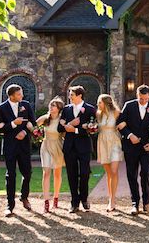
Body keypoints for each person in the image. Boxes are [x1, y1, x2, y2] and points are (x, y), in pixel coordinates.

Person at [117, 84, 149, 215]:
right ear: (137, 96)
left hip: (146, 147)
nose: (143, 101)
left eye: (146, 99)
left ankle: (146, 201)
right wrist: (130, 135)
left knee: (146, 172)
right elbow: (120, 123)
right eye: (141, 99)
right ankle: (135, 203)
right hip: (130, 146)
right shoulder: (129, 106)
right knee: (132, 174)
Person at [0, 84, 36, 216]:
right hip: (10, 146)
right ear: (11, 95)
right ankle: (10, 204)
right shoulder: (1, 108)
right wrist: (13, 124)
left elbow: (33, 122)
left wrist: (24, 131)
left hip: (24, 145)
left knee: (27, 173)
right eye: (19, 94)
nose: (22, 96)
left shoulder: (26, 105)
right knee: (10, 175)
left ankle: (24, 197)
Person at [58, 85, 96, 213]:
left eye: (72, 94)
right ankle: (74, 203)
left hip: (84, 146)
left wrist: (75, 129)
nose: (69, 97)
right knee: (71, 174)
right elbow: (60, 127)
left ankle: (84, 199)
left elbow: (92, 129)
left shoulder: (90, 109)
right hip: (69, 147)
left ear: (80, 95)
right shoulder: (66, 109)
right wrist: (70, 125)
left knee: (85, 173)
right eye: (70, 94)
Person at [96, 94, 125, 212]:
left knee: (114, 171)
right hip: (102, 142)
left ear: (106, 103)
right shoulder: (98, 114)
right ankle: (110, 198)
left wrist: (124, 124)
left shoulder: (117, 113)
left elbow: (126, 121)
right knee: (108, 173)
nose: (98, 105)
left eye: (99, 102)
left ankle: (112, 200)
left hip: (114, 142)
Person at [36, 97, 65, 213]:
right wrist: (36, 132)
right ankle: (46, 201)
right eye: (51, 105)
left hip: (57, 146)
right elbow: (34, 125)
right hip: (46, 145)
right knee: (46, 172)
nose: (51, 107)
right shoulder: (45, 118)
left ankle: (56, 198)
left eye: (54, 106)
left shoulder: (61, 120)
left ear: (58, 108)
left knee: (57, 173)